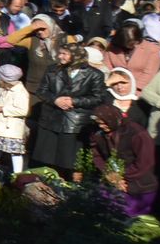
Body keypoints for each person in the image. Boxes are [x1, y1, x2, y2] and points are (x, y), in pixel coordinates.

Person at [31, 41, 111, 180]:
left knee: (71, 162)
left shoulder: (94, 74)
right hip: (51, 119)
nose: (60, 57)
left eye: (64, 54)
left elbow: (98, 98)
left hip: (75, 122)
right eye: (60, 53)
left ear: (75, 56)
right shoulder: (52, 70)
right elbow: (41, 91)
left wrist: (74, 101)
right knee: (47, 159)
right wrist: (55, 100)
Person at [91, 103, 158, 216]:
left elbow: (145, 163)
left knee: (127, 215)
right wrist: (110, 175)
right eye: (99, 124)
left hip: (138, 184)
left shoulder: (137, 134)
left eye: (104, 123)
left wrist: (122, 177)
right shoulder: (99, 134)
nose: (101, 126)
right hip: (113, 178)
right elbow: (97, 156)